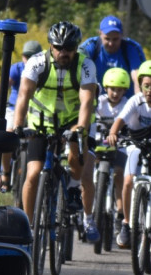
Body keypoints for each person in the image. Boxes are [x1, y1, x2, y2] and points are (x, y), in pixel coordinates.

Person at [13, 21, 99, 241]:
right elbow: (23, 95)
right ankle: (27, 227)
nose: (63, 52)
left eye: (69, 48)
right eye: (58, 47)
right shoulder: (36, 62)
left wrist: (80, 127)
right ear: (50, 46)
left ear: (76, 47)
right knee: (32, 174)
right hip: (41, 123)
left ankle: (72, 186)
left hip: (73, 120)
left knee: (75, 157)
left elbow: (87, 99)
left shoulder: (85, 65)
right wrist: (18, 125)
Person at [107, 60, 151, 248]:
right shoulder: (136, 100)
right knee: (128, 181)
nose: (149, 90)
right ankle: (127, 223)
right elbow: (121, 118)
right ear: (140, 85)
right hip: (135, 143)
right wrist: (113, 132)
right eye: (146, 85)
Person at [0, 38, 42, 190]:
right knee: (8, 134)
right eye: (27, 56)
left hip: (34, 109)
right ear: (22, 57)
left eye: (33, 56)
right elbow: (3, 86)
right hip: (13, 107)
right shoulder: (17, 69)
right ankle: (6, 171)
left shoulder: (43, 70)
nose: (29, 60)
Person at [91, 67, 131, 244]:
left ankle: (120, 213)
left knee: (119, 173)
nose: (116, 93)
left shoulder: (127, 104)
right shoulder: (98, 102)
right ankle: (92, 206)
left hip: (120, 147)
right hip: (100, 145)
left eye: (120, 90)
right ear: (106, 88)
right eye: (112, 89)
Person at [79, 15, 146, 93]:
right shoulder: (91, 46)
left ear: (122, 35)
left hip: (125, 102)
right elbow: (76, 66)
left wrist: (138, 102)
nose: (111, 43)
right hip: (96, 101)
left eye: (115, 39)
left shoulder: (131, 48)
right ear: (100, 34)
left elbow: (138, 78)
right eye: (107, 39)